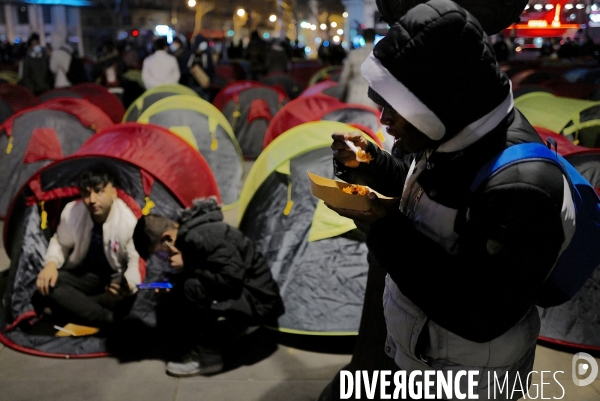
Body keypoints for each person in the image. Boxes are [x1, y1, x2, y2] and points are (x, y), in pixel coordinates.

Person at [327, 0, 569, 398]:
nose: (384, 119)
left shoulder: (524, 185)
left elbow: (478, 312)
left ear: (440, 102)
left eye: (395, 106)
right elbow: (434, 197)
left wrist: (383, 227)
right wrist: (373, 165)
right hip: (424, 361)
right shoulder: (456, 131)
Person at [133, 198, 284, 377]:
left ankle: (208, 357)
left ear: (167, 238)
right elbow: (211, 269)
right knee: (180, 288)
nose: (163, 258)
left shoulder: (203, 236)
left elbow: (230, 281)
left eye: (159, 252)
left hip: (260, 302)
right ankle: (215, 336)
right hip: (247, 293)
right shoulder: (191, 235)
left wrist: (187, 265)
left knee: (191, 288)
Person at [35, 165, 142, 327]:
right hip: (85, 275)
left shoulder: (128, 221)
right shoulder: (73, 211)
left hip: (113, 279)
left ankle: (73, 308)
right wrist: (50, 264)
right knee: (48, 283)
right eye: (86, 193)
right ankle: (107, 319)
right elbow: (61, 242)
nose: (92, 200)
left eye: (99, 191)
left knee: (130, 297)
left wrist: (127, 284)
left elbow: (135, 260)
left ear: (113, 193)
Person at [338, 28, 378, 108]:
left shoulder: (354, 53)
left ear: (363, 38)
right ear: (374, 38)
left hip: (354, 96)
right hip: (372, 100)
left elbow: (344, 77)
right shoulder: (379, 54)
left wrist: (341, 93)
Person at [185, 35, 215, 101]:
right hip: (192, 85)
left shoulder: (207, 55)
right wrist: (190, 71)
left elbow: (211, 69)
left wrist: (210, 81)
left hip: (204, 86)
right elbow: (184, 67)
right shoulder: (190, 54)